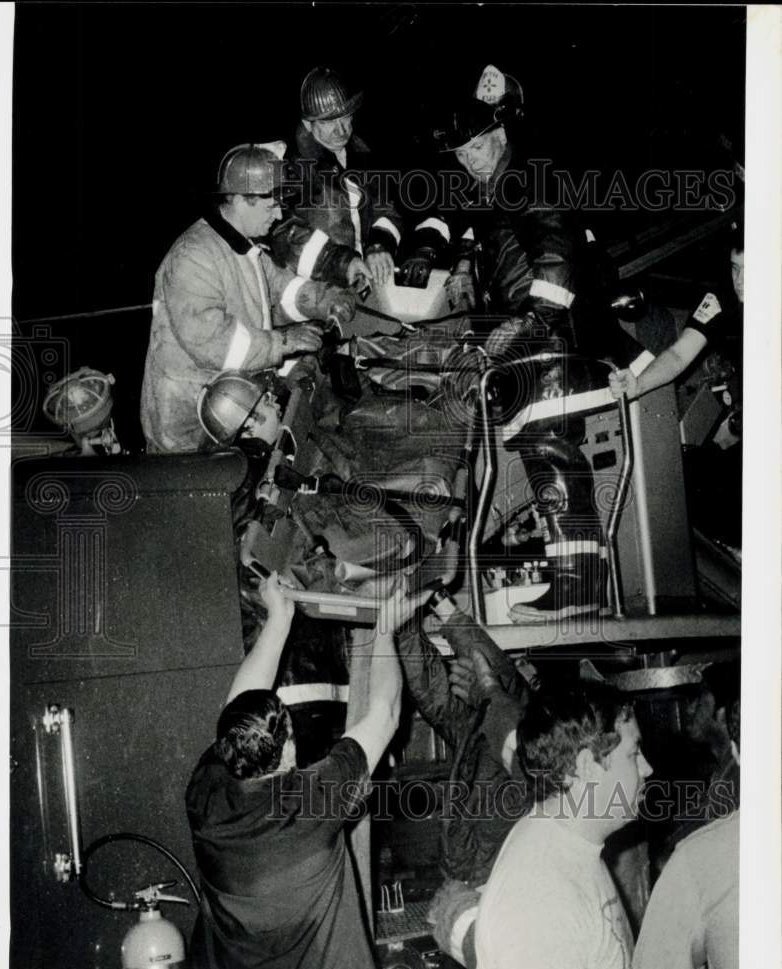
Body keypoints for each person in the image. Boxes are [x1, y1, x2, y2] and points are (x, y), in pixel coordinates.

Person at [403, 64, 619, 621]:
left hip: (550, 344)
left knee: (551, 451)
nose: (468, 159)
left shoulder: (527, 179)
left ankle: (580, 584)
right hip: (536, 347)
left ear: (500, 136)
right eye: (460, 153)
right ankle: (574, 578)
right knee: (543, 453)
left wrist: (521, 324)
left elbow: (557, 260)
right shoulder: (501, 187)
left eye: (476, 146)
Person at [185, 573, 430, 969]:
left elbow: (237, 710)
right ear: (288, 747)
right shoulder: (312, 801)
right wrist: (385, 629)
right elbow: (384, 713)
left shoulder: (206, 792)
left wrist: (278, 621)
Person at [140, 142, 355, 453]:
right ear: (240, 200)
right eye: (270, 206)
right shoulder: (193, 257)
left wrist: (327, 300)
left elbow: (282, 288)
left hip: (232, 407)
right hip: (187, 426)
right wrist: (283, 342)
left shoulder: (243, 246)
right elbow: (216, 343)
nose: (279, 214)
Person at [474, 682, 653, 969]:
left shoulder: (572, 841)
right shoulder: (542, 903)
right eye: (633, 755)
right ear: (587, 766)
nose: (647, 768)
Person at [395, 597, 535, 969]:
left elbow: (500, 687)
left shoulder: (524, 743)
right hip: (476, 884)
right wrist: (405, 623)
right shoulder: (485, 733)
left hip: (482, 888)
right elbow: (439, 697)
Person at [632, 691, 739, 969]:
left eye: (699, 697)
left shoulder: (697, 858)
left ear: (722, 714)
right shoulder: (717, 770)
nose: (689, 708)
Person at [270, 66, 404, 289]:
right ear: (307, 124)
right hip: (314, 290)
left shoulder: (361, 152)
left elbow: (386, 207)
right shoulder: (288, 165)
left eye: (346, 118)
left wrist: (379, 245)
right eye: (328, 122)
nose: (341, 130)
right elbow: (281, 233)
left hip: (364, 281)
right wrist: (340, 263)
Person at [609, 234, 743, 401]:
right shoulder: (718, 301)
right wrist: (638, 385)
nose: (739, 281)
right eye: (736, 268)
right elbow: (678, 356)